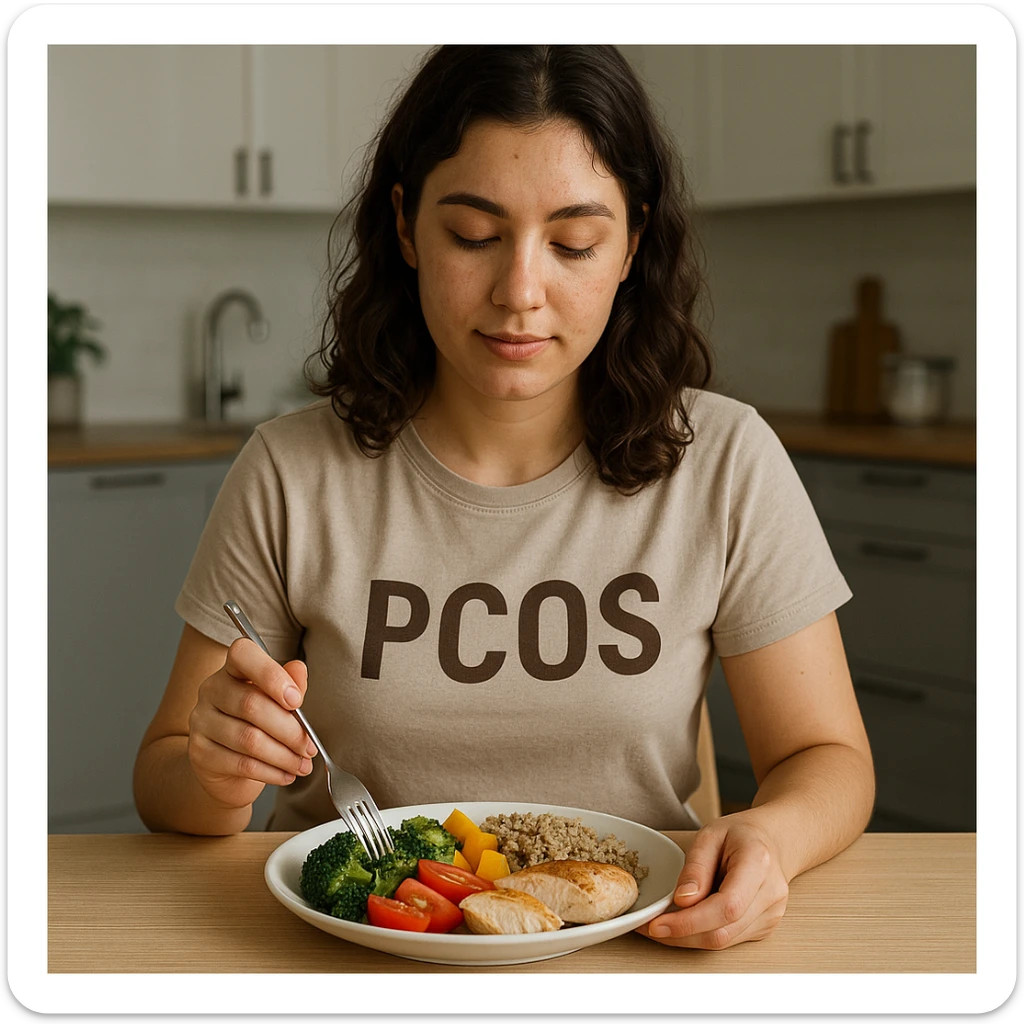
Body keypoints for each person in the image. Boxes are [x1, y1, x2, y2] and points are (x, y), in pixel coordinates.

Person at [133, 44, 874, 951]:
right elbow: (165, 776)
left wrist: (773, 837)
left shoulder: (722, 460)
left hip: (637, 952)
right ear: (405, 226)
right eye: (474, 235)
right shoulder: (292, 471)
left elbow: (827, 760)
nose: (521, 291)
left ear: (633, 242)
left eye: (574, 243)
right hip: (346, 959)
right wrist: (216, 772)